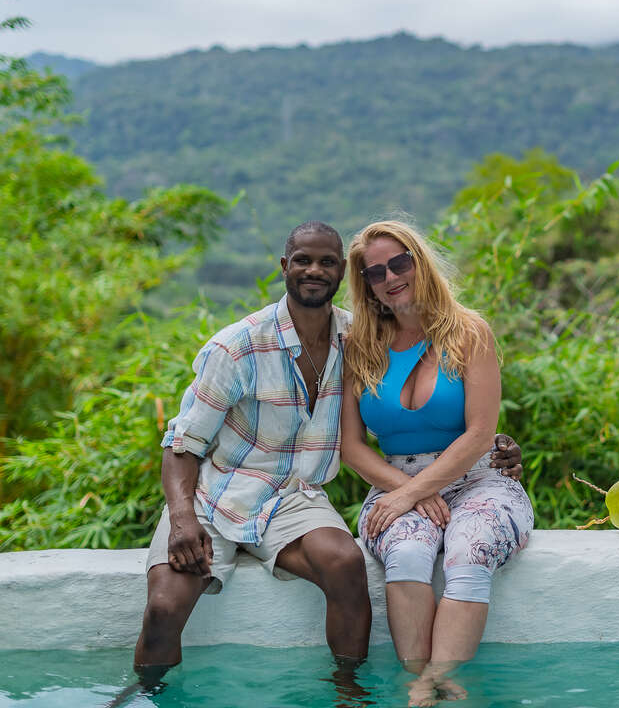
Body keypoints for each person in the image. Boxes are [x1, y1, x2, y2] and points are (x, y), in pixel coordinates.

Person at [133, 221, 523, 686]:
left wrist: (495, 451)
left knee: (349, 565)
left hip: (294, 498)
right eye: (303, 260)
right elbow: (183, 442)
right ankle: (148, 694)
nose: (314, 270)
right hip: (216, 496)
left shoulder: (355, 338)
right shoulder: (246, 346)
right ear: (285, 267)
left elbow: (474, 424)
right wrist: (181, 517)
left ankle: (349, 692)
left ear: (340, 274)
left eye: (326, 262)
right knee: (163, 606)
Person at [341, 220, 534, 706]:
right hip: (392, 479)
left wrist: (415, 490)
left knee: (470, 549)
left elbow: (480, 435)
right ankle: (418, 678)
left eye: (399, 263)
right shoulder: (359, 346)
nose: (390, 277)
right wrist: (406, 490)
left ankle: (433, 681)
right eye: (375, 272)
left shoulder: (471, 332)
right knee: (407, 555)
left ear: (420, 262)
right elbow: (352, 446)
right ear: (366, 285)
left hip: (479, 480)